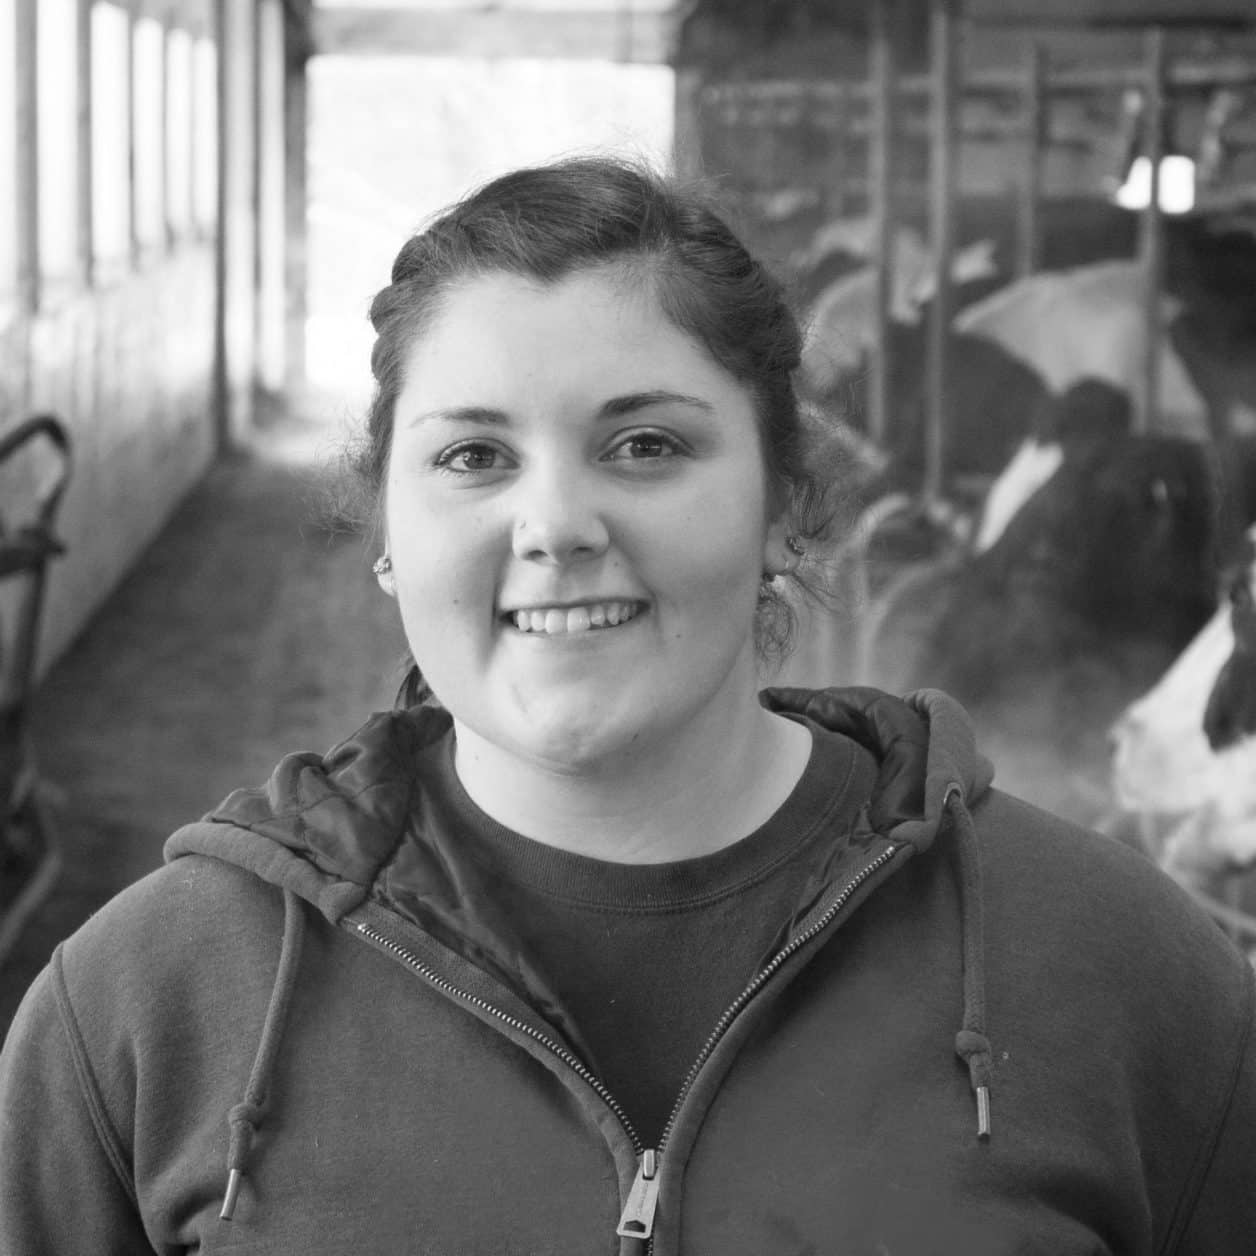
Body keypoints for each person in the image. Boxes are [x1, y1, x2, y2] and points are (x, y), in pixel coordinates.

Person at [1, 156, 1253, 1255]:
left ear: (781, 504)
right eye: (471, 456)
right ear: (385, 530)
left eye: (645, 444)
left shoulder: (1119, 972)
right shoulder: (142, 1004)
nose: (554, 526)